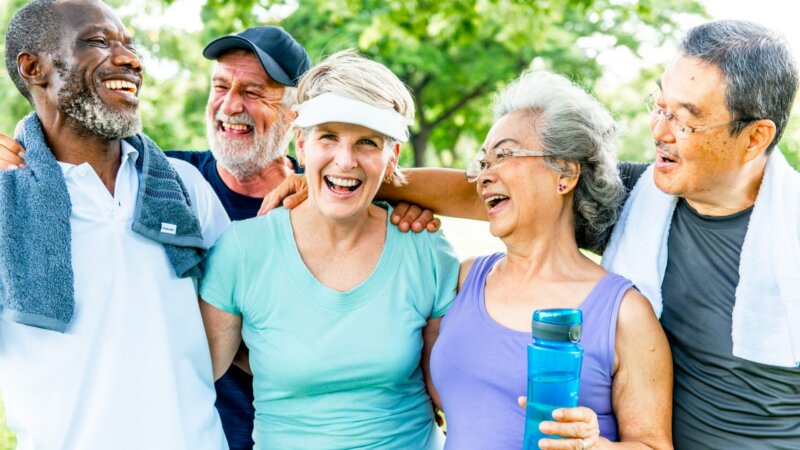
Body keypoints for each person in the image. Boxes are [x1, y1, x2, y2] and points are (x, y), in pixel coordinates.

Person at [0, 23, 440, 449]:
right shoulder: (170, 187)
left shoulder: (346, 196)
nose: (231, 105)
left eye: (253, 92)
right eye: (220, 87)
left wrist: (389, 192)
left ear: (294, 119)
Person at [369, 20, 800, 449]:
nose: (659, 130)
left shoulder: (789, 239)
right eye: (660, 106)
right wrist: (355, 180)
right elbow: (495, 190)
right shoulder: (641, 202)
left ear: (754, 137)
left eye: (686, 120)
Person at [199, 50, 459, 449]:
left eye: (368, 142)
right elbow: (193, 376)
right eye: (329, 137)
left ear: (393, 158)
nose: (345, 159)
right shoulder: (243, 251)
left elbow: (451, 392)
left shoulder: (423, 246)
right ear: (301, 146)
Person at [0, 1, 229, 449]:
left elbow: (246, 320)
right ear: (33, 67)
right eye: (99, 42)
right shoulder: (7, 203)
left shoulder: (184, 188)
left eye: (129, 45)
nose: (130, 60)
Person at [426, 71, 673, 450]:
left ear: (565, 174)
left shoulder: (624, 313)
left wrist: (594, 445)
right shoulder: (462, 279)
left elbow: (653, 445)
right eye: (483, 162)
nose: (483, 177)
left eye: (504, 155)